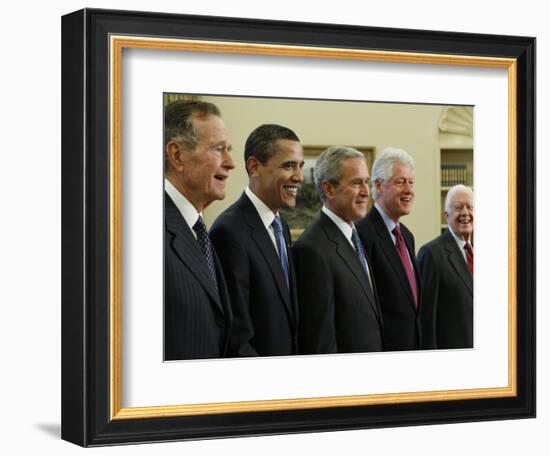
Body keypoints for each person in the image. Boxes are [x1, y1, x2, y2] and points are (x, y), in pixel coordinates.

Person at [210, 124, 304, 356]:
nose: (299, 177)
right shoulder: (229, 231)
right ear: (254, 167)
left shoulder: (280, 224)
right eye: (289, 165)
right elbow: (236, 337)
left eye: (300, 166)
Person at [293, 146, 383, 354]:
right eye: (356, 183)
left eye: (366, 182)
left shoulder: (355, 235)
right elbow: (320, 341)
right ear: (328, 189)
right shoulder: (312, 249)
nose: (366, 192)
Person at [163, 100, 235, 360]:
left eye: (229, 150)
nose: (230, 163)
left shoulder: (198, 230)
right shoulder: (143, 230)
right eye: (219, 150)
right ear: (177, 155)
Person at [355, 147, 421, 351]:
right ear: (379, 186)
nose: (409, 190)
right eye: (400, 181)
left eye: (411, 182)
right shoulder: (362, 233)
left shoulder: (407, 236)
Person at [417, 184, 474, 349]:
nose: (465, 213)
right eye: (458, 208)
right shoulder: (431, 254)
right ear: (446, 215)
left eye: (470, 207)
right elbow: (426, 320)